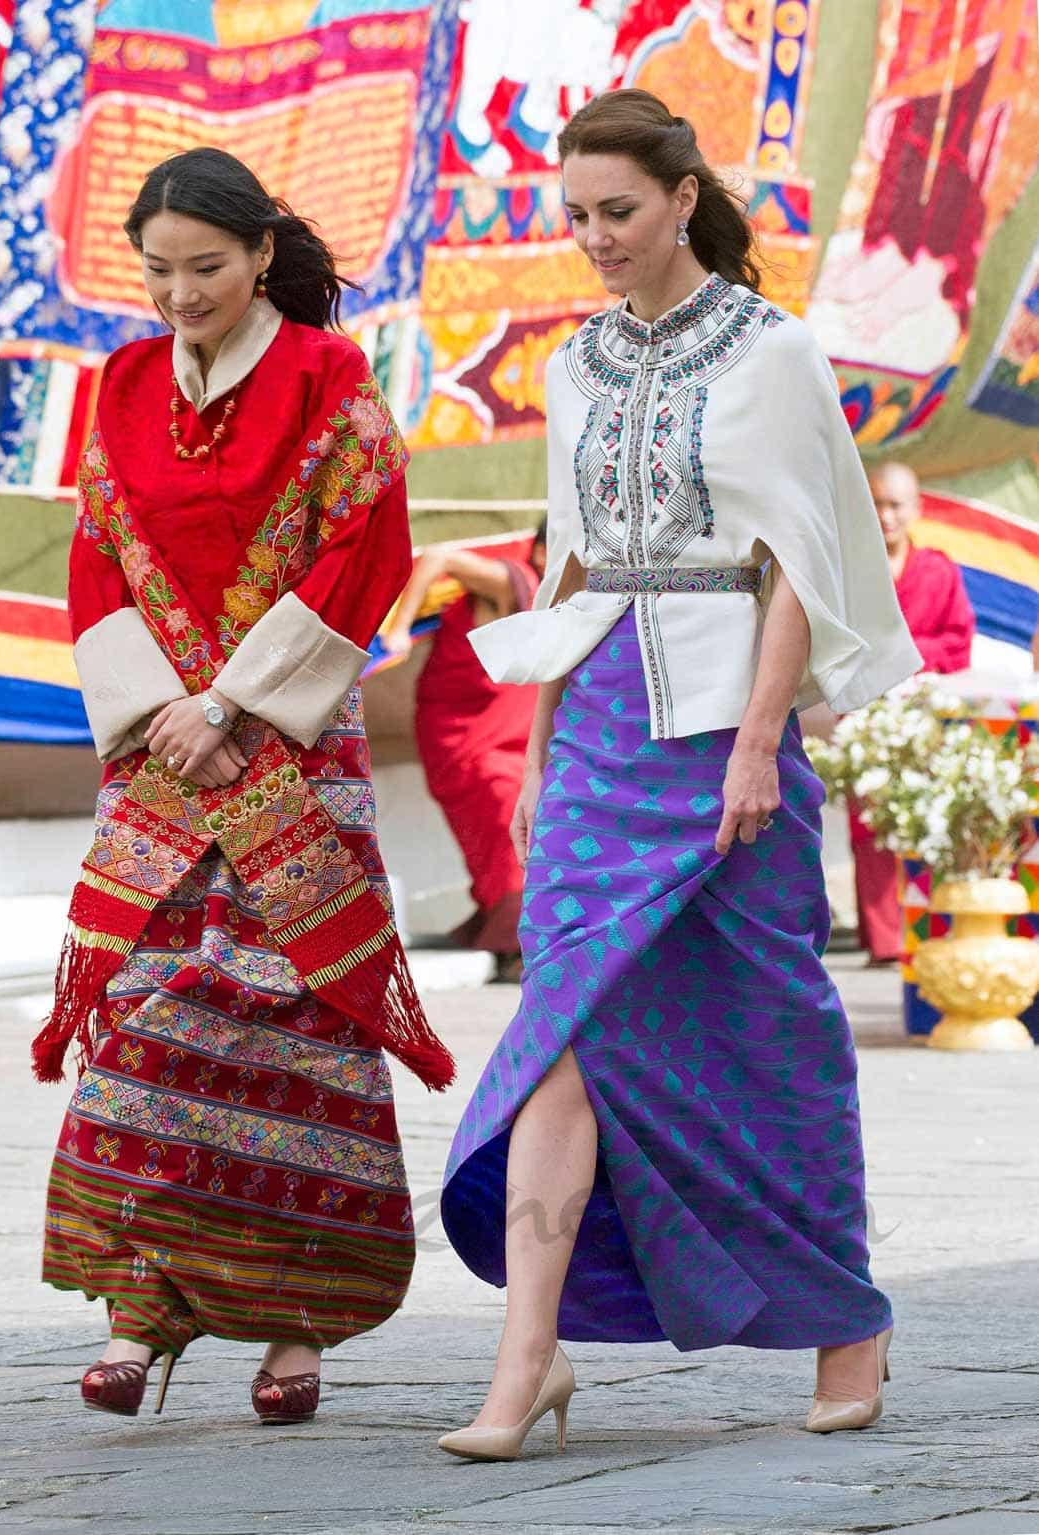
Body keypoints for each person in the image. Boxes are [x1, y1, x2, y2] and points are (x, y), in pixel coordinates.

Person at [436, 89, 923, 1462]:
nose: (591, 237)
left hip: (727, 733)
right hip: (596, 728)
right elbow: (566, 559)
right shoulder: (574, 362)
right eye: (575, 215)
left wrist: (762, 739)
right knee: (558, 1044)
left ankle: (845, 1320)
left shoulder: (773, 353)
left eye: (616, 212)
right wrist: (536, 753)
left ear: (681, 199)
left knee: (775, 1035)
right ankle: (525, 1358)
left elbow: (797, 561)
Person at [32, 147, 453, 1425]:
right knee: (151, 1013)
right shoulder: (120, 381)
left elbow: (368, 547)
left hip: (287, 748)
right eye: (157, 270)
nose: (177, 293)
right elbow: (98, 555)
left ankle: (293, 1330)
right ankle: (136, 1314)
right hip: (161, 752)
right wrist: (169, 709)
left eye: (204, 267)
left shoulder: (332, 376)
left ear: (263, 252)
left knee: (293, 1022)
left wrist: (234, 702)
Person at [383, 527, 547, 980]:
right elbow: (438, 556)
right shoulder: (511, 581)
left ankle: (517, 943)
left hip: (512, 743)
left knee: (521, 833)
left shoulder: (557, 601)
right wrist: (398, 630)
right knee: (504, 823)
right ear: (540, 551)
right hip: (467, 739)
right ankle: (516, 950)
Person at [850, 462, 976, 963]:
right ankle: (885, 942)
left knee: (924, 819)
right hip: (866, 712)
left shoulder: (939, 571)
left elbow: (958, 642)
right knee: (870, 826)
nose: (885, 516)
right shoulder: (853, 575)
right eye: (877, 503)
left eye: (895, 505)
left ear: (917, 509)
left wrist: (903, 655)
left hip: (924, 717)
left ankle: (926, 935)